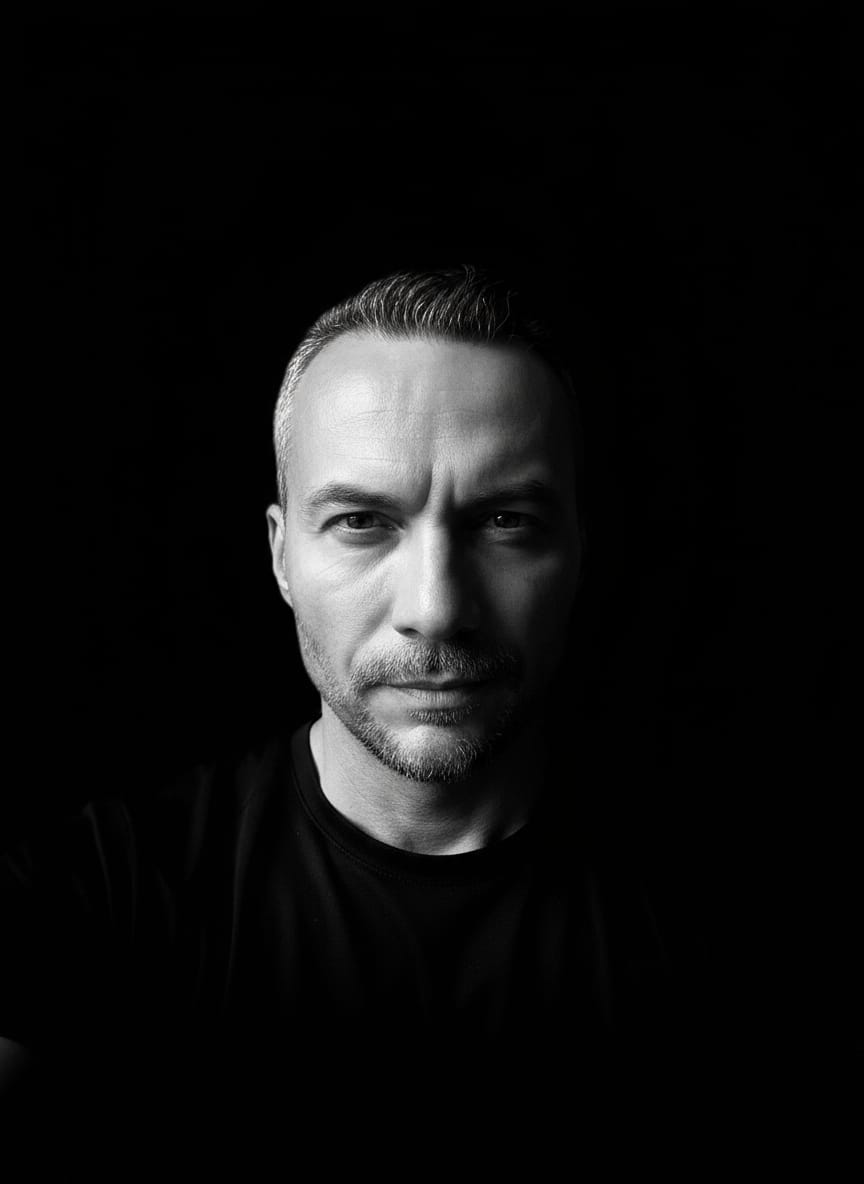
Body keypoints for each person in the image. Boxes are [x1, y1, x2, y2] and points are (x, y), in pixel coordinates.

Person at [1, 266, 710, 1170]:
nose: (436, 609)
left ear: (577, 550)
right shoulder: (106, 894)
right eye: (362, 522)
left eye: (504, 520)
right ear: (280, 557)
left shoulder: (723, 905)